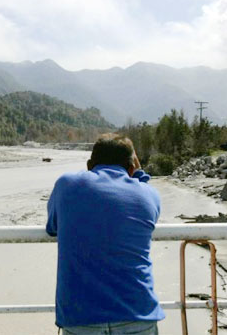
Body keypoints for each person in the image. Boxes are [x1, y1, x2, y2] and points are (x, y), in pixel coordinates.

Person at [46, 134, 165, 334]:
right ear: (131, 168)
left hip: (80, 317)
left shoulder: (66, 185)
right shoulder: (149, 194)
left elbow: (52, 228)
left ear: (89, 164)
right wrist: (139, 173)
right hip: (138, 314)